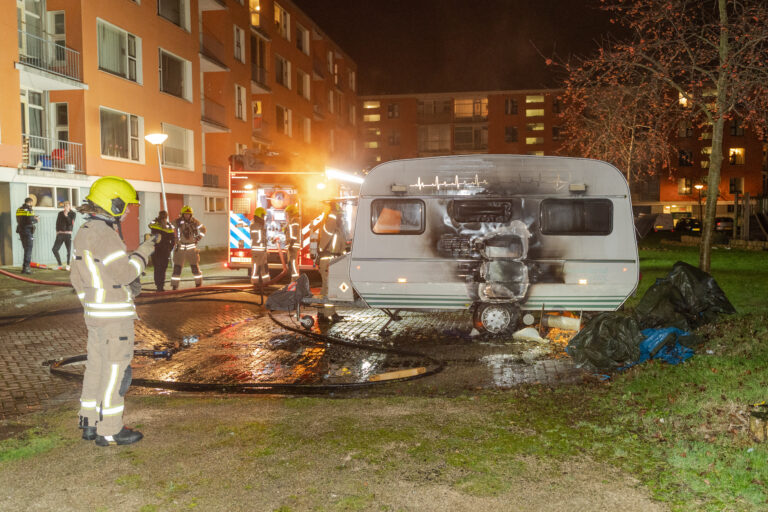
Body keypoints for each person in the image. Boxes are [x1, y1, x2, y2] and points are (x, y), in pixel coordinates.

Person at [70, 176, 156, 446]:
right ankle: (110, 429)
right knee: (115, 372)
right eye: (126, 205)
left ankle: (89, 423)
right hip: (114, 318)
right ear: (113, 203)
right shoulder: (106, 235)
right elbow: (123, 273)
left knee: (95, 368)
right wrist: (144, 252)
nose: (128, 210)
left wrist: (91, 304)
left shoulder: (84, 231)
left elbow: (76, 278)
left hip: (96, 316)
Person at [316, 202, 345, 323]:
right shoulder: (330, 224)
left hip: (331, 260)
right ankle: (329, 314)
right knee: (329, 289)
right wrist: (332, 212)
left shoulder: (334, 226)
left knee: (325, 288)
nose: (341, 217)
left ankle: (322, 312)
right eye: (340, 214)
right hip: (328, 261)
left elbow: (340, 245)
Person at [171, 205, 207, 289]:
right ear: (182, 214)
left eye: (189, 214)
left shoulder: (195, 222)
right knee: (177, 268)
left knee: (194, 267)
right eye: (185, 214)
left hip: (191, 248)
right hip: (180, 248)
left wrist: (198, 237)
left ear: (191, 215)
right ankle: (174, 285)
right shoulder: (178, 222)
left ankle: (198, 284)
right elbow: (170, 227)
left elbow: (203, 229)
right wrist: (173, 237)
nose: (187, 215)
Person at [148, 211, 175, 291]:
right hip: (157, 249)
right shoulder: (155, 223)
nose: (163, 218)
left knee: (162, 268)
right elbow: (150, 225)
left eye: (164, 216)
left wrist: (169, 248)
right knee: (158, 268)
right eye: (162, 216)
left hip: (164, 250)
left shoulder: (169, 226)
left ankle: (160, 286)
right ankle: (159, 286)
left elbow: (173, 239)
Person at [15, 197, 38, 274]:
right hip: (28, 231)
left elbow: (19, 219)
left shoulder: (19, 209)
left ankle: (25, 267)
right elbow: (30, 220)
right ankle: (26, 268)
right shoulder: (29, 210)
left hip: (21, 231)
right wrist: (36, 220)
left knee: (25, 248)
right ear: (30, 202)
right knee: (28, 249)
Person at [52, 200, 76, 270]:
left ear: (70, 206)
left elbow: (70, 223)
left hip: (68, 234)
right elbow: (57, 223)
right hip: (60, 234)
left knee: (68, 250)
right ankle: (60, 264)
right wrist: (57, 231)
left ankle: (68, 264)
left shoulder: (72, 214)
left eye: (67, 205)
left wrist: (66, 215)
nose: (66, 207)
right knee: (54, 249)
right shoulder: (60, 213)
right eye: (65, 206)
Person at [250, 207, 270, 289]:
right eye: (263, 216)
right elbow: (259, 238)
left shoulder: (260, 225)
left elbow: (263, 237)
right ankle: (255, 282)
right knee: (256, 266)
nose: (264, 217)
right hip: (257, 250)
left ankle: (266, 282)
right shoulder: (255, 225)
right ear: (259, 215)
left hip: (262, 250)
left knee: (263, 266)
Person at [284, 204, 301, 282]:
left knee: (293, 264)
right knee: (292, 264)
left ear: (291, 212)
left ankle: (295, 281)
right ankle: (293, 280)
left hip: (293, 246)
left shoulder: (294, 220)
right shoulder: (292, 220)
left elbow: (294, 233)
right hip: (291, 245)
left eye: (288, 213)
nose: (287, 215)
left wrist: (291, 244)